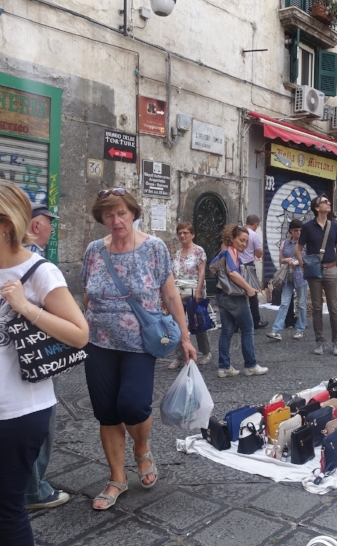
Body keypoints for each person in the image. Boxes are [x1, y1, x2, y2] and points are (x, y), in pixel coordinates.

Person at [0, 181, 89, 543]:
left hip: (17, 413)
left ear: (6, 223)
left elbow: (79, 334)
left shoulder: (41, 273)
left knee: (3, 512)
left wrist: (25, 307)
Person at [81, 188, 197, 511]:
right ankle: (117, 478)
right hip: (98, 342)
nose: (115, 220)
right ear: (101, 218)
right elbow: (87, 297)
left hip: (139, 343)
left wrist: (186, 339)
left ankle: (142, 449)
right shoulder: (93, 251)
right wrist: (78, 332)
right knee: (106, 412)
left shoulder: (154, 248)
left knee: (133, 405)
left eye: (121, 213)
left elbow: (172, 297)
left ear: (133, 213)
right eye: (108, 214)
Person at [20, 202, 71, 511]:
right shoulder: (38, 265)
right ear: (36, 226)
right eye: (49, 223)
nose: (52, 229)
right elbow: (72, 327)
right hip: (33, 356)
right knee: (40, 424)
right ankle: (33, 491)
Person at [209, 225, 269, 377]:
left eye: (246, 242)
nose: (244, 244)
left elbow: (212, 267)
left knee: (226, 331)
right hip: (233, 296)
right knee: (248, 328)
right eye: (241, 240)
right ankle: (250, 365)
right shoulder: (231, 252)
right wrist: (248, 288)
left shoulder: (223, 252)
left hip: (220, 295)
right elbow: (233, 273)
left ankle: (224, 367)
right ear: (232, 239)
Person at [297, 194, 337, 356]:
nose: (328, 203)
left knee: (333, 307)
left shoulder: (334, 226)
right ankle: (319, 341)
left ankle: (336, 342)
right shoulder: (308, 227)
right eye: (325, 202)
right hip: (314, 271)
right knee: (317, 307)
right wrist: (304, 266)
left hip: (331, 269)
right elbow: (298, 248)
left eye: (328, 201)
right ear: (317, 208)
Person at [169, 221, 211, 369]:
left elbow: (201, 272)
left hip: (194, 291)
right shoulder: (178, 253)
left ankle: (205, 352)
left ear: (192, 234)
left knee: (198, 322)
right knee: (177, 324)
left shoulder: (199, 251)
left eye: (185, 232)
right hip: (179, 292)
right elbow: (173, 274)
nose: (182, 235)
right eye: (180, 233)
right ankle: (180, 356)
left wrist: (199, 291)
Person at [266, 219, 307, 341]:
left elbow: (309, 258)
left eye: (300, 230)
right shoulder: (285, 243)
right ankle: (276, 331)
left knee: (301, 304)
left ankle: (300, 329)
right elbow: (281, 259)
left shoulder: (305, 243)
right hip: (288, 276)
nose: (298, 232)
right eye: (296, 230)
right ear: (291, 231)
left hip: (301, 275)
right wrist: (288, 260)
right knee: (284, 303)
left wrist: (298, 262)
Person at [240, 215, 268, 329]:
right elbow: (258, 253)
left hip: (236, 265)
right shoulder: (254, 235)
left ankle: (237, 323)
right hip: (248, 266)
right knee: (253, 294)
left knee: (238, 294)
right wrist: (261, 253)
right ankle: (256, 321)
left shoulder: (238, 231)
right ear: (256, 224)